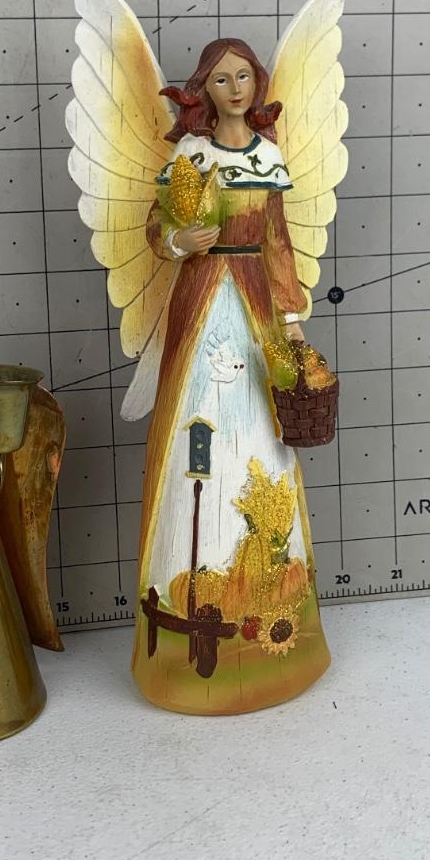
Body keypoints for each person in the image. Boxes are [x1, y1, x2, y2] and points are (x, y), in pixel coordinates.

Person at [130, 38, 332, 714]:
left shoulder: (267, 158)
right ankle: (188, 587)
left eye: (245, 76)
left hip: (258, 307)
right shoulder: (190, 157)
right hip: (201, 301)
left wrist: (293, 325)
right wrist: (177, 242)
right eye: (222, 79)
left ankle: (270, 601)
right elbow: (157, 226)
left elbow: (278, 245)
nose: (236, 88)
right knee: (201, 429)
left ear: (257, 83)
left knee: (260, 432)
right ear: (205, 91)